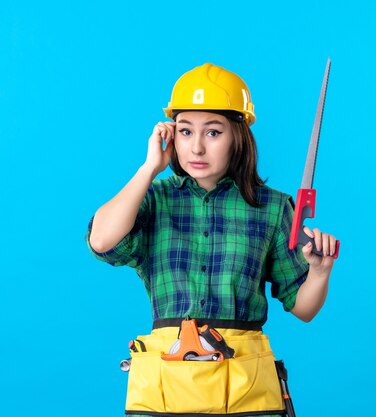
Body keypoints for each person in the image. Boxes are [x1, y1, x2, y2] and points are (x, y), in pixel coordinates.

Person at [86, 63, 337, 417]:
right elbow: (102, 242)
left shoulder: (273, 208)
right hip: (164, 395)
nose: (197, 148)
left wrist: (320, 271)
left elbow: (303, 308)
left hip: (246, 396)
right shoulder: (154, 199)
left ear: (238, 136)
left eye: (213, 132)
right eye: (185, 132)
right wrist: (148, 169)